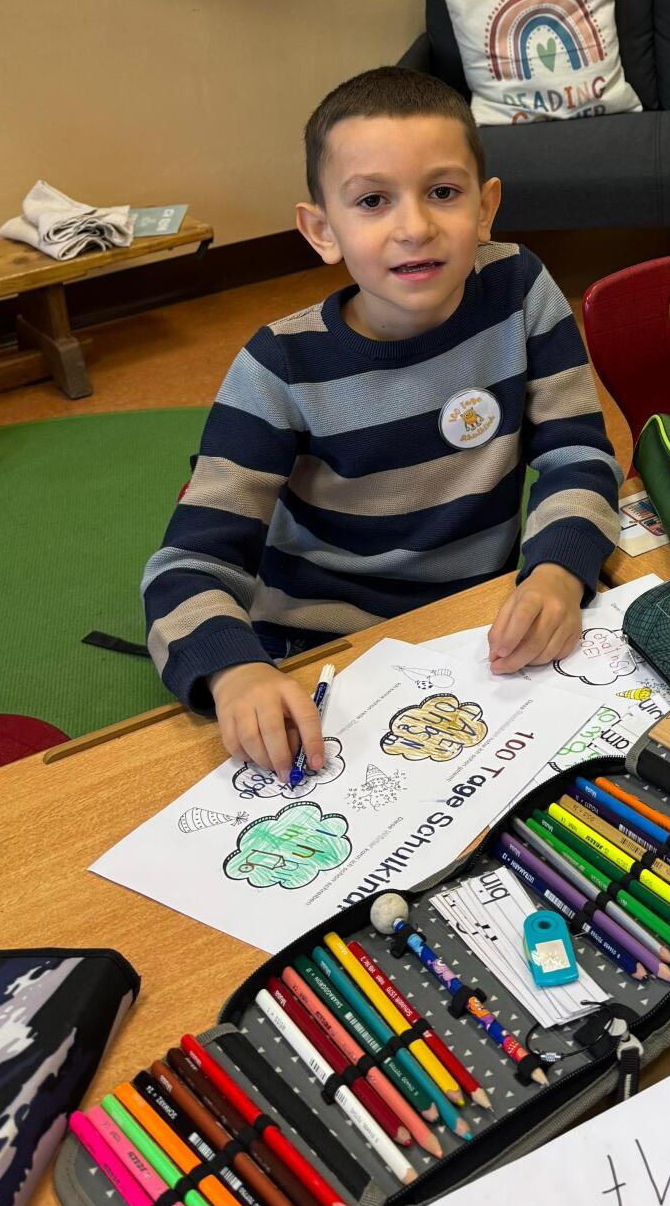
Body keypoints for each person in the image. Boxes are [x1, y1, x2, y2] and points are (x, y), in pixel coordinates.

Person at [142, 67, 622, 779]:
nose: (415, 228)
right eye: (372, 200)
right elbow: (187, 566)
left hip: (482, 621)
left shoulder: (520, 290)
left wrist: (557, 570)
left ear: (485, 207)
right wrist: (235, 672)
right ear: (322, 230)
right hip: (317, 649)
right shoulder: (279, 367)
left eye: (443, 192)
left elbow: (577, 453)